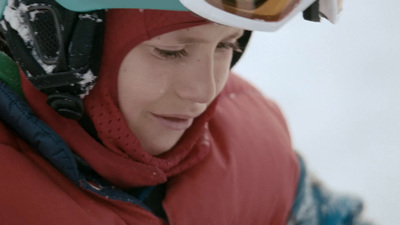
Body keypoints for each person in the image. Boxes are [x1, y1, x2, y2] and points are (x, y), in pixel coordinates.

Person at [0, 0, 369, 224]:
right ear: (55, 42)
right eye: (171, 51)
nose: (204, 91)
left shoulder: (253, 150)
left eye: (226, 45)